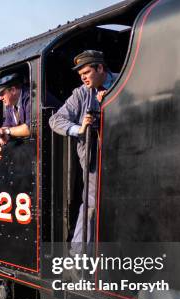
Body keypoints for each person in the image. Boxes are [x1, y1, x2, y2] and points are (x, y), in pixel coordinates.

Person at [49, 50, 118, 244]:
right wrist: (79, 129)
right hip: (94, 162)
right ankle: (79, 256)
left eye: (86, 73)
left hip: (124, 157)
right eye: (80, 75)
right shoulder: (81, 93)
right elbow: (55, 120)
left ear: (101, 68)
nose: (83, 78)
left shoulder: (123, 82)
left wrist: (112, 102)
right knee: (90, 205)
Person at [0, 73, 31, 145]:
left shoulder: (30, 98)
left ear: (13, 90)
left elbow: (31, 128)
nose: (0, 98)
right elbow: (7, 124)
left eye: (2, 94)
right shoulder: (10, 106)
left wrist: (7, 131)